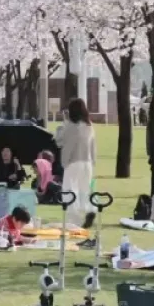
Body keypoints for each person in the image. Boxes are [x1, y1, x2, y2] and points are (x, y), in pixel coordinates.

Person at [56, 98, 97, 228]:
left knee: (69, 191)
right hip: (87, 162)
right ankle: (91, 209)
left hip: (73, 162)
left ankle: (74, 220)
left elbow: (59, 141)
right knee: (86, 189)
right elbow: (93, 146)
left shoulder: (70, 126)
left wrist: (62, 124)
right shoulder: (89, 126)